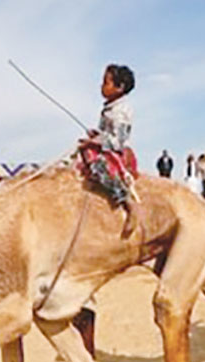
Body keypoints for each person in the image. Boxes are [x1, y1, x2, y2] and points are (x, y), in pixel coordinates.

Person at [78, 64, 139, 235]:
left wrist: (95, 142)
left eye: (106, 82)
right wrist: (96, 135)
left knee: (98, 166)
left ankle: (128, 204)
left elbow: (117, 141)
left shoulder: (120, 111)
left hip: (114, 152)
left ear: (119, 88)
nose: (102, 86)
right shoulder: (110, 108)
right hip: (105, 146)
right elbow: (107, 133)